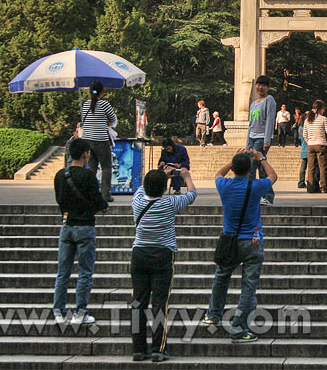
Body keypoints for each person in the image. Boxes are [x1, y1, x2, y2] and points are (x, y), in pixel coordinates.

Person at [202, 150, 278, 342]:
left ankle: (213, 314)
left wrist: (232, 161)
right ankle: (239, 326)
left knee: (221, 276)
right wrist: (261, 158)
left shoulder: (224, 185)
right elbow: (273, 176)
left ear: (234, 169)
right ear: (251, 168)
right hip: (252, 241)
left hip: (230, 241)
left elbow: (218, 174)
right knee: (248, 285)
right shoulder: (256, 186)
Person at [129, 164, 197, 362]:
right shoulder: (169, 204)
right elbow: (192, 194)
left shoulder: (138, 202)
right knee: (160, 302)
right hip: (162, 255)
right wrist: (186, 176)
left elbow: (142, 188)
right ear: (164, 188)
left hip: (139, 253)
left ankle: (138, 349)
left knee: (137, 303)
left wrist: (160, 175)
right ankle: (158, 348)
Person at [52, 138, 109, 326]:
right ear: (85, 154)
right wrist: (103, 206)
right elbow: (97, 200)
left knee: (63, 272)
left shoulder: (60, 175)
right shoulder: (88, 176)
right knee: (85, 272)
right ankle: (80, 312)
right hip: (85, 227)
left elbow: (59, 200)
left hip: (66, 225)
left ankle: (59, 311)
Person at [80, 81, 118, 202]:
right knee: (106, 167)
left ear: (90, 91)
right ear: (101, 91)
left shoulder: (85, 104)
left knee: (91, 167)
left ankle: (91, 193)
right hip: (101, 140)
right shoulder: (104, 104)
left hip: (87, 140)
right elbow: (113, 119)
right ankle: (105, 195)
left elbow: (84, 120)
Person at [246, 75, 276, 205]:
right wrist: (247, 143)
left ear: (267, 88)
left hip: (262, 137)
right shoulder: (253, 104)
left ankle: (257, 195)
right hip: (252, 137)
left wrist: (267, 139)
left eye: (263, 85)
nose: (260, 87)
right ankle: (264, 195)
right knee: (260, 167)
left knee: (253, 166)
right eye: (258, 84)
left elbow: (270, 120)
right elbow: (251, 123)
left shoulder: (269, 100)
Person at [304, 99, 327, 193]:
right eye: (323, 109)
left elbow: (304, 134)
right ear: (320, 109)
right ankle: (323, 187)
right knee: (323, 167)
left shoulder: (307, 120)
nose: (324, 111)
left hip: (311, 145)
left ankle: (311, 187)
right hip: (321, 145)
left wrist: (309, 141)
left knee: (311, 167)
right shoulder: (323, 119)